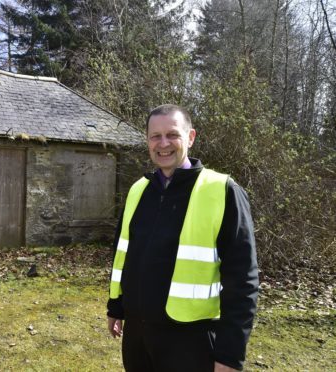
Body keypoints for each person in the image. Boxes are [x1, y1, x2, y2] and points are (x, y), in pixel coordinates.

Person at [107, 104, 258, 371]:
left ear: (190, 137)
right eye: (155, 136)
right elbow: (124, 256)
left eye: (172, 135)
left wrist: (229, 355)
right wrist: (116, 307)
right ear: (147, 140)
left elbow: (243, 281)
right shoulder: (138, 190)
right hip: (137, 336)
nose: (163, 144)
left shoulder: (222, 190)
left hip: (190, 342)